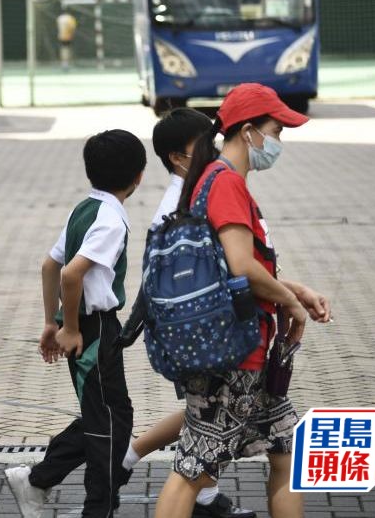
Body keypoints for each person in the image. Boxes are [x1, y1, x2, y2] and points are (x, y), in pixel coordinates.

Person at [154, 84, 332, 518]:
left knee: (285, 453)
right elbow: (239, 265)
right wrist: (289, 300)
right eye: (276, 131)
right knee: (192, 469)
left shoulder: (214, 180)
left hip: (243, 350)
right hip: (234, 355)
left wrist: (292, 289)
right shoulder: (226, 183)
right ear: (249, 131)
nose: (278, 142)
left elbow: (234, 267)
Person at [116, 109, 256, 518]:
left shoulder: (199, 186)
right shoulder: (180, 201)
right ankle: (140, 465)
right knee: (208, 414)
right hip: (199, 335)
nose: (214, 149)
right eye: (204, 144)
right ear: (178, 157)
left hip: (204, 332)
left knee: (206, 414)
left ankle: (198, 492)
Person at [5, 129, 145, 518]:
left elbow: (49, 265)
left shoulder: (85, 207)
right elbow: (69, 274)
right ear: (140, 175)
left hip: (89, 326)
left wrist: (52, 322)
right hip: (93, 328)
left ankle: (39, 479)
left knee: (111, 415)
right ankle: (89, 505)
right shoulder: (111, 219)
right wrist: (67, 327)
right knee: (107, 424)